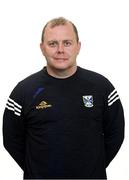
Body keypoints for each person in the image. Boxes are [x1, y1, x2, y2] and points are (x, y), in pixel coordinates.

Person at [3, 17, 125, 179]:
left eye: (67, 43)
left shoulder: (102, 87)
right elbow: (11, 140)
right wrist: (37, 170)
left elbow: (116, 134)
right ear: (42, 48)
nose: (60, 50)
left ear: (78, 46)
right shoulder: (23, 91)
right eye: (53, 43)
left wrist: (92, 168)